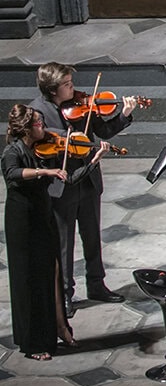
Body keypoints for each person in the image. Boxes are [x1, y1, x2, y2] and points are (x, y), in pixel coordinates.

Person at [30, 62, 137, 315]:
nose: (73, 88)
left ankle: (97, 285)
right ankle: (66, 294)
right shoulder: (36, 111)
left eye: (71, 83)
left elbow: (104, 131)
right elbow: (37, 139)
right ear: (52, 89)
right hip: (62, 186)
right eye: (67, 85)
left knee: (92, 237)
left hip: (88, 180)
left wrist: (124, 114)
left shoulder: (81, 105)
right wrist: (66, 136)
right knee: (64, 244)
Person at [3, 105, 76, 360]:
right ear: (26, 128)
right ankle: (33, 343)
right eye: (38, 123)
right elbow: (12, 173)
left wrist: (92, 156)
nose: (43, 127)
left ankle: (60, 326)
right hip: (23, 221)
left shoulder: (40, 148)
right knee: (29, 278)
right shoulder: (13, 151)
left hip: (43, 215)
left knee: (53, 271)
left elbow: (64, 178)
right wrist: (43, 171)